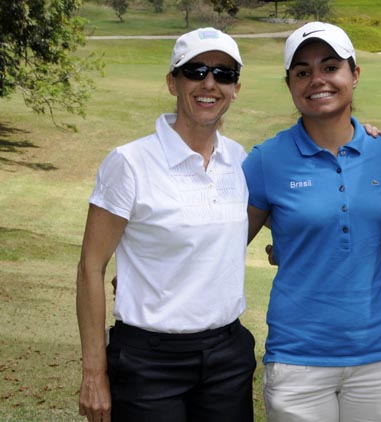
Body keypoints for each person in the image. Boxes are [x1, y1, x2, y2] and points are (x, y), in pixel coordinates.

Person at [76, 27, 256, 421]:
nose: (210, 83)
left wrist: (360, 134)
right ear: (173, 82)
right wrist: (94, 372)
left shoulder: (241, 161)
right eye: (196, 70)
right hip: (148, 364)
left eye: (223, 74)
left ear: (236, 88)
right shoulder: (129, 162)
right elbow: (91, 266)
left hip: (227, 356)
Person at [243, 21, 381, 422]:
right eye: (302, 72)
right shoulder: (266, 160)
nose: (317, 79)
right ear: (289, 84)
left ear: (354, 74)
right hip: (298, 359)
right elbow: (223, 238)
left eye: (330, 67)